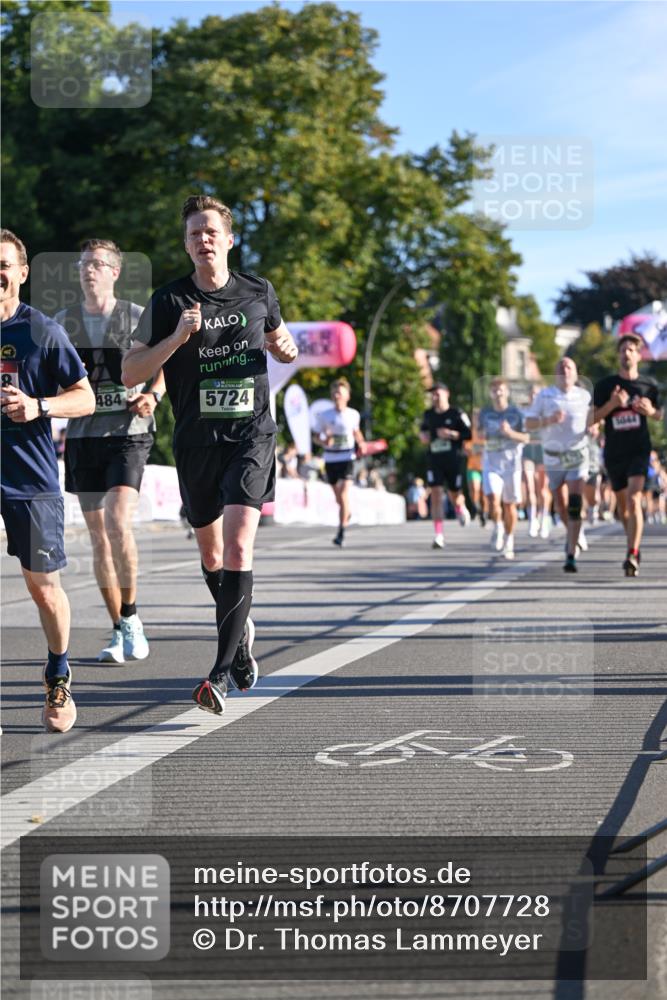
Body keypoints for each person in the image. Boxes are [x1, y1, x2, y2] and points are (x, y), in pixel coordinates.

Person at [122, 195, 297, 714]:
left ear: (229, 239)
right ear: (187, 245)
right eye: (194, 234)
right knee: (212, 557)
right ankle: (240, 634)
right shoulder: (169, 301)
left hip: (251, 435)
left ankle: (219, 674)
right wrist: (176, 338)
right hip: (197, 442)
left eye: (211, 232)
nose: (203, 240)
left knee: (240, 548)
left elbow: (282, 342)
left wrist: (287, 348)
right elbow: (131, 372)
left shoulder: (258, 290)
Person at [0, 230, 95, 732]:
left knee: (43, 589)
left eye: (3, 264)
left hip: (30, 480)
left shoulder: (41, 331)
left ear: (20, 273)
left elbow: (86, 398)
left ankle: (58, 672)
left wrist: (38, 406)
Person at [56, 238, 165, 664]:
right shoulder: (63, 323)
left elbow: (167, 366)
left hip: (129, 431)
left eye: (99, 264)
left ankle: (132, 615)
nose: (90, 270)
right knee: (99, 537)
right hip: (83, 436)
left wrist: (152, 396)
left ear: (115, 272)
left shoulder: (136, 318)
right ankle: (119, 627)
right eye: (84, 263)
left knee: (119, 522)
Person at [593, 333, 662, 576]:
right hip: (614, 453)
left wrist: (651, 410)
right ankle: (633, 543)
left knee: (634, 499)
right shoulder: (605, 386)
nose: (627, 353)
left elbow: (660, 415)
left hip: (639, 450)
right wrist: (612, 405)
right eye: (623, 349)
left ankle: (632, 553)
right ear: (618, 355)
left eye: (631, 349)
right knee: (623, 509)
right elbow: (591, 420)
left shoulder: (648, 386)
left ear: (638, 355)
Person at [525, 358, 592, 572]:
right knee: (560, 505)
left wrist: (594, 428)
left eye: (569, 366)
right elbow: (528, 423)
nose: (564, 369)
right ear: (555, 373)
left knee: (574, 502)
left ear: (575, 373)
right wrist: (548, 420)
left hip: (577, 455)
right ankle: (576, 533)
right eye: (560, 367)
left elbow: (592, 418)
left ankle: (570, 554)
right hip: (553, 456)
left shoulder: (584, 396)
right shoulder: (545, 396)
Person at [477, 378, 530, 560]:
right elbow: (478, 433)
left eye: (500, 390)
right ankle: (498, 527)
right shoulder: (485, 413)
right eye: (494, 390)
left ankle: (509, 540)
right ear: (490, 393)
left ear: (507, 392)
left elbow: (526, 438)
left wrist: (510, 433)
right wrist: (481, 435)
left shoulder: (516, 413)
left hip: (511, 465)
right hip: (491, 462)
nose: (497, 393)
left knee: (509, 505)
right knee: (492, 499)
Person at [313, 377, 365, 547]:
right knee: (338, 497)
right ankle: (346, 512)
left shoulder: (353, 414)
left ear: (347, 396)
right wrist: (324, 441)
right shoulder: (325, 416)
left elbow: (356, 433)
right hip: (331, 458)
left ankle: (341, 532)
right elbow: (316, 436)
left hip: (347, 457)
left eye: (340, 393)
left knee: (343, 494)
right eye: (335, 393)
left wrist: (362, 444)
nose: (337, 396)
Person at [419, 383, 472, 549]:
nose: (434, 398)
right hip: (435, 460)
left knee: (454, 494)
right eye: (432, 395)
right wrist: (424, 436)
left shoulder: (457, 413)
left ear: (447, 394)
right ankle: (439, 534)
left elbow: (469, 433)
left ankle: (460, 507)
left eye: (437, 394)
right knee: (435, 493)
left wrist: (452, 434)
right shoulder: (428, 414)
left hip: (453, 459)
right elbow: (423, 432)